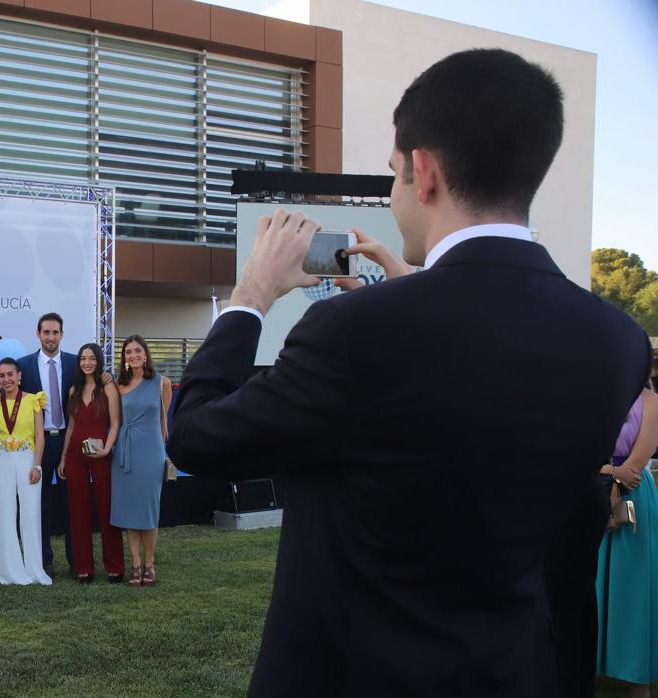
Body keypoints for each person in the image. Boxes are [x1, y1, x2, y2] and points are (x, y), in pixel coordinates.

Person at [168, 48, 651, 696]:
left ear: (423, 173)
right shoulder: (615, 340)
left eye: (394, 176)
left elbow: (197, 435)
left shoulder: (352, 333)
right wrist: (409, 290)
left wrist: (250, 296)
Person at [596, 389, 658, 697]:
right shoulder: (592, 390)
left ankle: (637, 679)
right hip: (590, 489)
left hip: (634, 495)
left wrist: (616, 484)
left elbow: (641, 454)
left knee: (634, 585)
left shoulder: (650, 401)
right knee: (587, 584)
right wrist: (609, 473)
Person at [58, 342, 123, 583]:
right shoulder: (74, 390)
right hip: (75, 455)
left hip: (101, 454)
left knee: (107, 509)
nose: (87, 362)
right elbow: (71, 425)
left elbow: (115, 423)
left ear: (98, 361)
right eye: (83, 358)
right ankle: (84, 568)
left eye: (91, 358)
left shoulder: (108, 387)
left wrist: (107, 448)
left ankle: (115, 567)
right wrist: (64, 457)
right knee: (78, 511)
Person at [15, 313, 75, 576]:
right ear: (38, 334)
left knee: (72, 504)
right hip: (37, 444)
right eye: (46, 332)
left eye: (55, 332)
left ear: (62, 335)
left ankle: (76, 561)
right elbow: (7, 390)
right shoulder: (23, 366)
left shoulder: (76, 363)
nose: (51, 337)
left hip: (68, 441)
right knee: (37, 504)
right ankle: (43, 560)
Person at [0, 358, 51, 585]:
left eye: (10, 374)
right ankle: (10, 571)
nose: (7, 379)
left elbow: (40, 436)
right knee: (5, 514)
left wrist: (37, 465)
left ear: (19, 375)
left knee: (31, 513)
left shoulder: (33, 400)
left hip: (27, 458)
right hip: (3, 459)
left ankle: (34, 569)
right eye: (1, 376)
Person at [111, 335, 171, 587]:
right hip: (124, 452)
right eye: (128, 352)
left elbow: (162, 420)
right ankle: (134, 564)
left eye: (137, 351)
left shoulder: (161, 383)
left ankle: (149, 564)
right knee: (129, 511)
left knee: (148, 511)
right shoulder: (117, 385)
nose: (133, 355)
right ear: (124, 357)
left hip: (150, 452)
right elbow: (115, 421)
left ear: (146, 354)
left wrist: (164, 452)